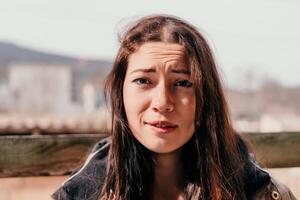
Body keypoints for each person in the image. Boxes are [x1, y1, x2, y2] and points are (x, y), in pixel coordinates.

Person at [52, 15, 297, 200]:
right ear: (120, 93)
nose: (162, 103)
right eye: (143, 81)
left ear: (205, 97)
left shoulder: (259, 191)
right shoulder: (82, 193)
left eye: (182, 83)